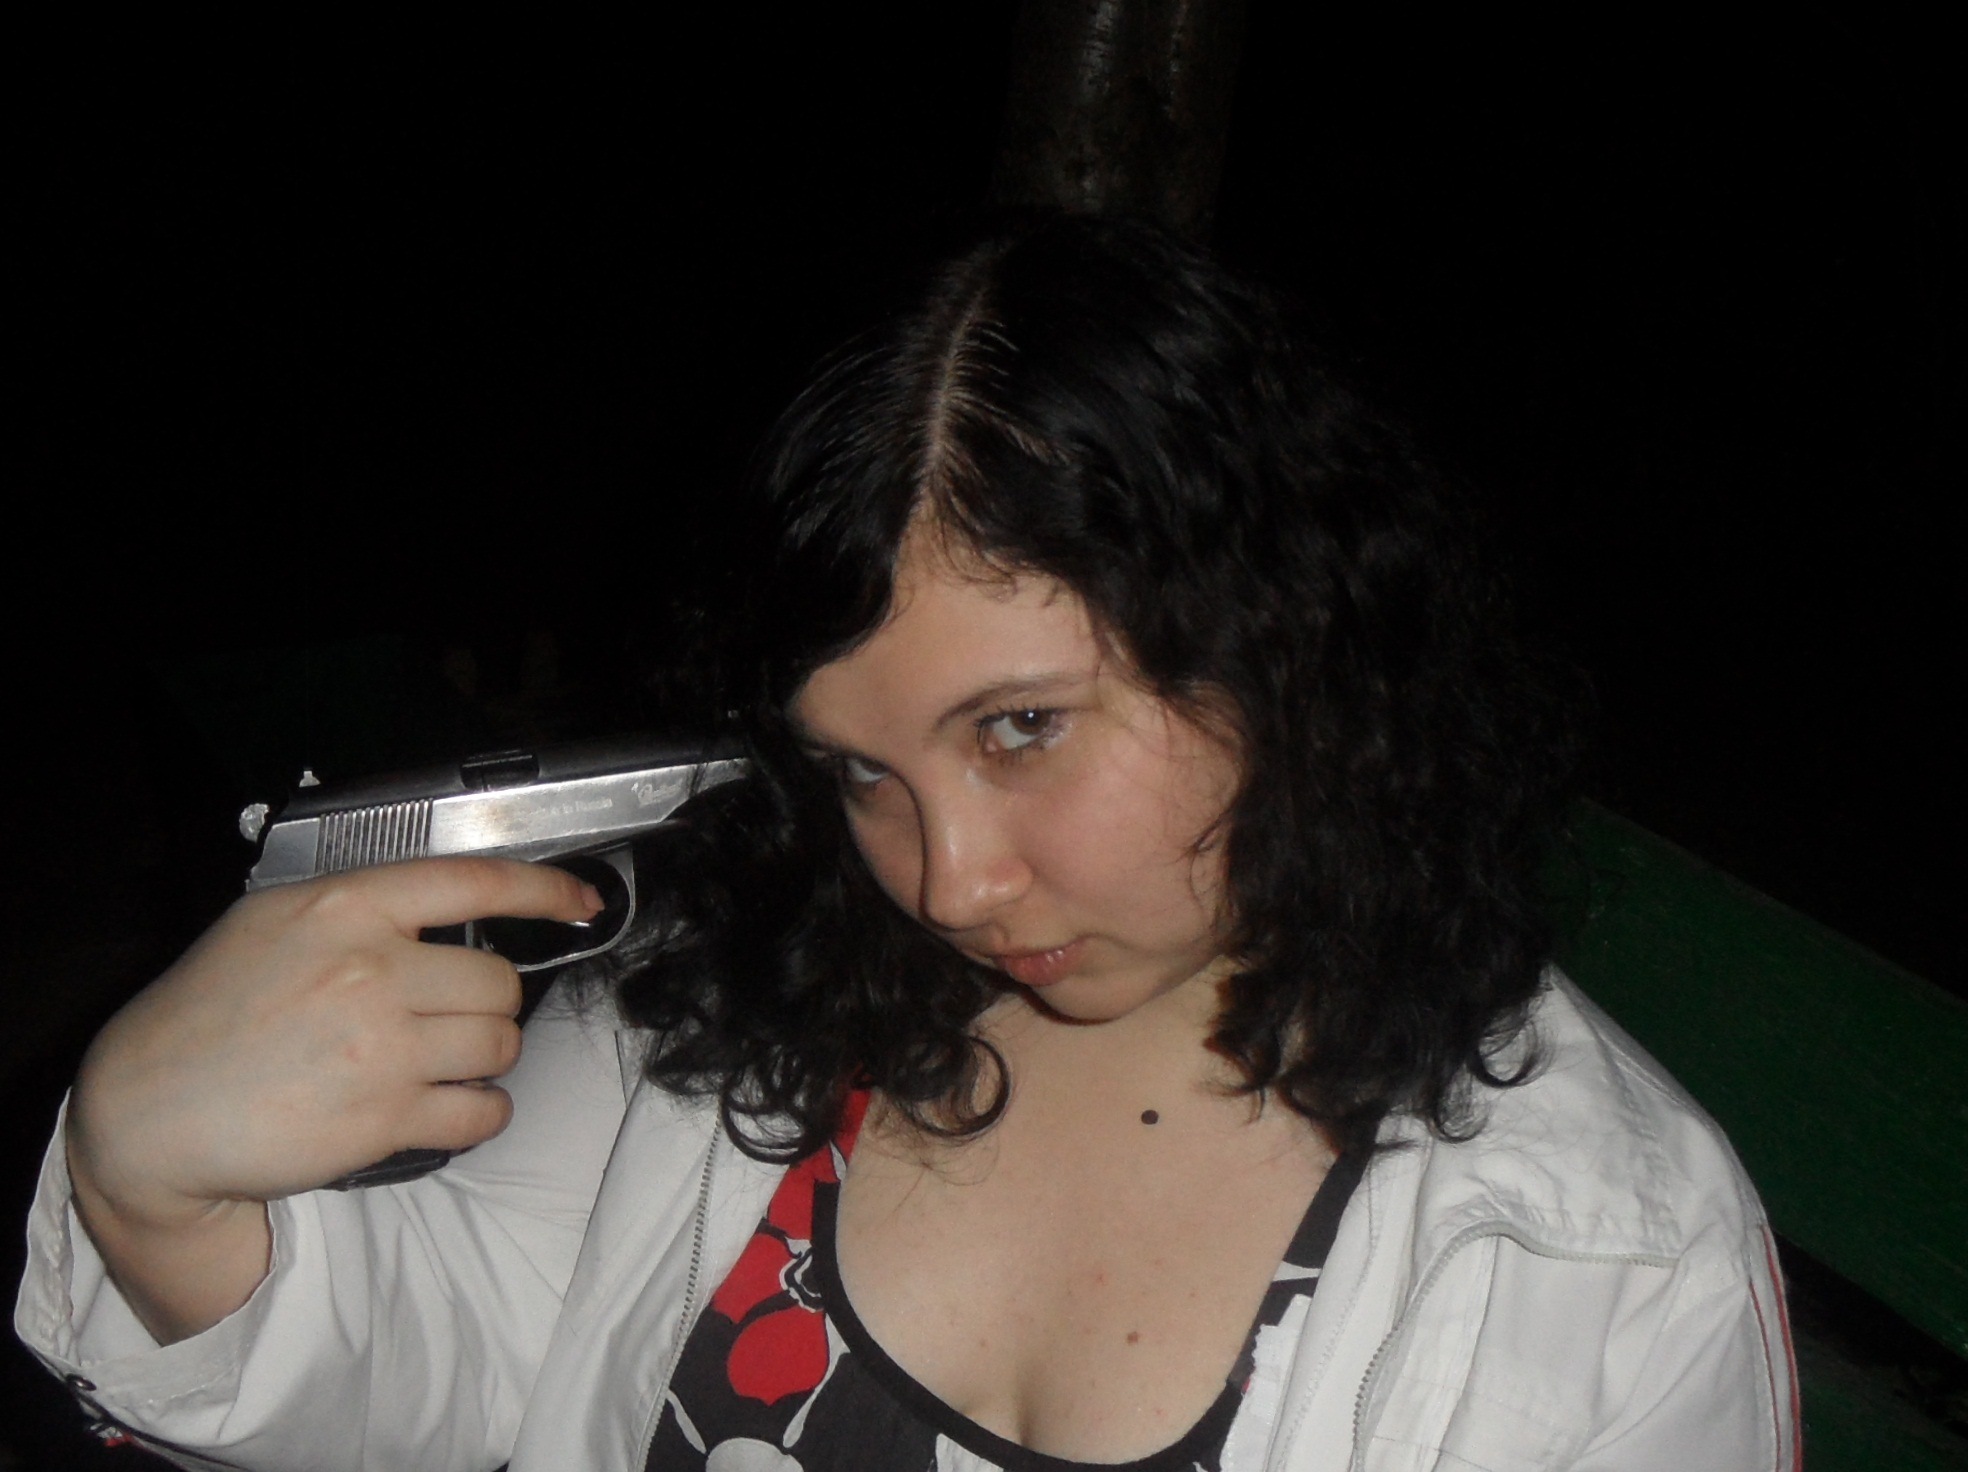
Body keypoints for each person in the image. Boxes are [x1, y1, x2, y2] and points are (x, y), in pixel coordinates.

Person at [17, 217, 1799, 1470]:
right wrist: (148, 1183)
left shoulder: (1603, 1265)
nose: (947, 884)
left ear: (1288, 645)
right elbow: (474, 1330)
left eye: (1021, 728)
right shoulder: (784, 982)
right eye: (858, 771)